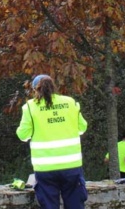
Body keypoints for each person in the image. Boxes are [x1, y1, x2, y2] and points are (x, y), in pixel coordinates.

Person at [16, 74, 89, 209]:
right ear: (54, 86)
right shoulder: (70, 102)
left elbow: (23, 135)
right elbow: (82, 128)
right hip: (71, 166)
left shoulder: (30, 107)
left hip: (45, 168)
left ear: (35, 89)